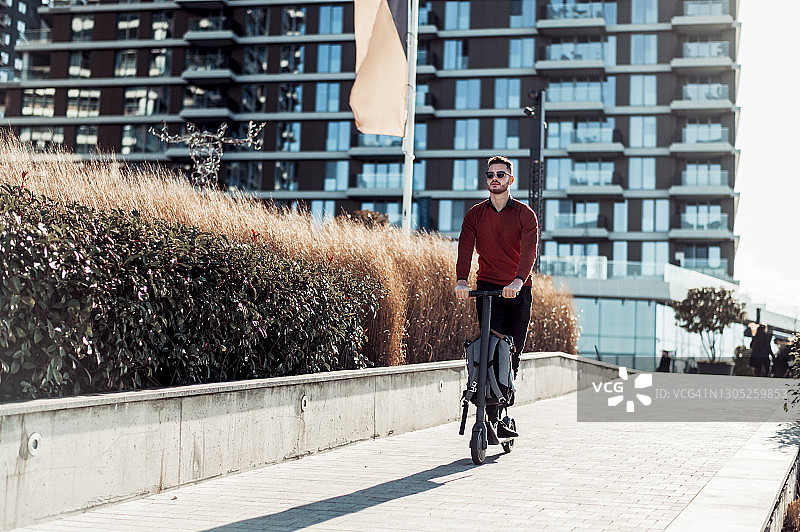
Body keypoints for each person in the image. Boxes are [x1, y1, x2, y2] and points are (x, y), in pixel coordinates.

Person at [454, 155, 539, 431]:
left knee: (511, 352)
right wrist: (461, 281)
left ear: (510, 180)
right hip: (489, 289)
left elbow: (529, 252)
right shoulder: (475, 215)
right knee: (490, 351)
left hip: (518, 290)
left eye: (501, 175)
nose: (494, 179)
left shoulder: (526, 215)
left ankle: (503, 408)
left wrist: (517, 281)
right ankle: (492, 420)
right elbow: (465, 248)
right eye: (490, 174)